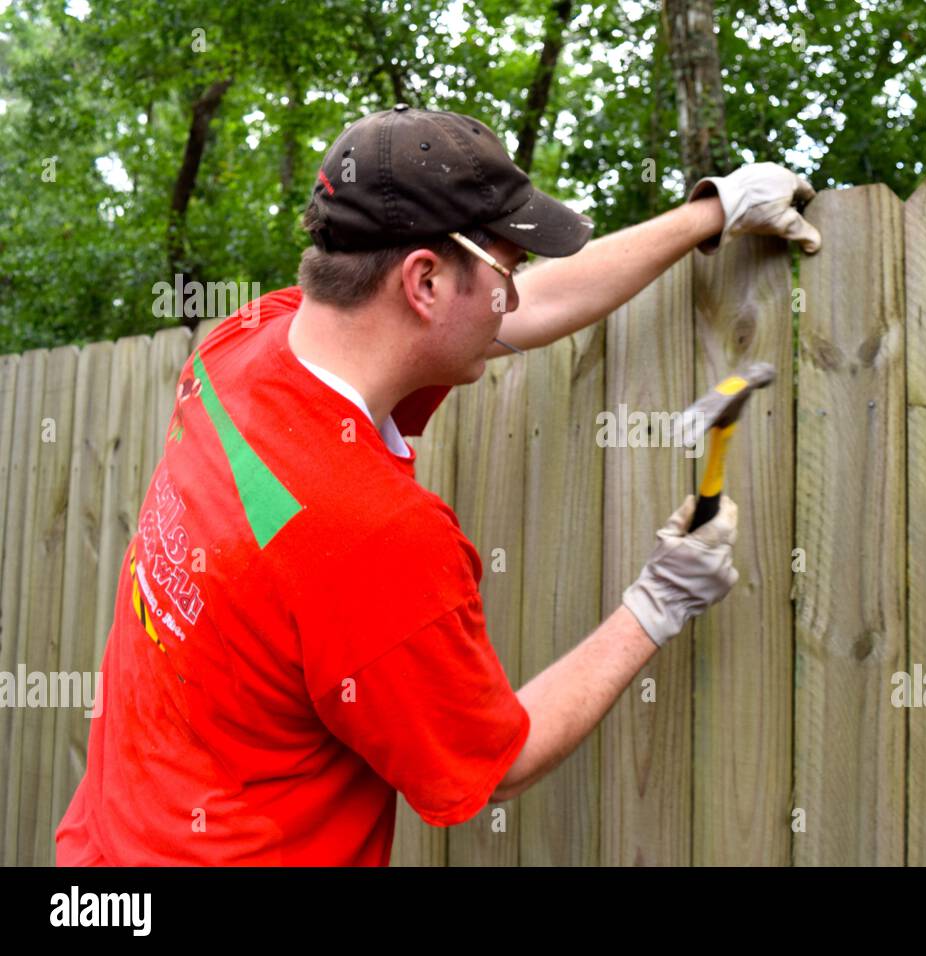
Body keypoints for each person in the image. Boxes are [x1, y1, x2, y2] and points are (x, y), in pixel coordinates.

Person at [55, 104, 821, 865]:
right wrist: (657, 603)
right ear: (423, 281)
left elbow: (523, 311)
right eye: (505, 272)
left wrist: (711, 212)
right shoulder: (372, 539)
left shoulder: (247, 342)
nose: (514, 298)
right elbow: (498, 763)